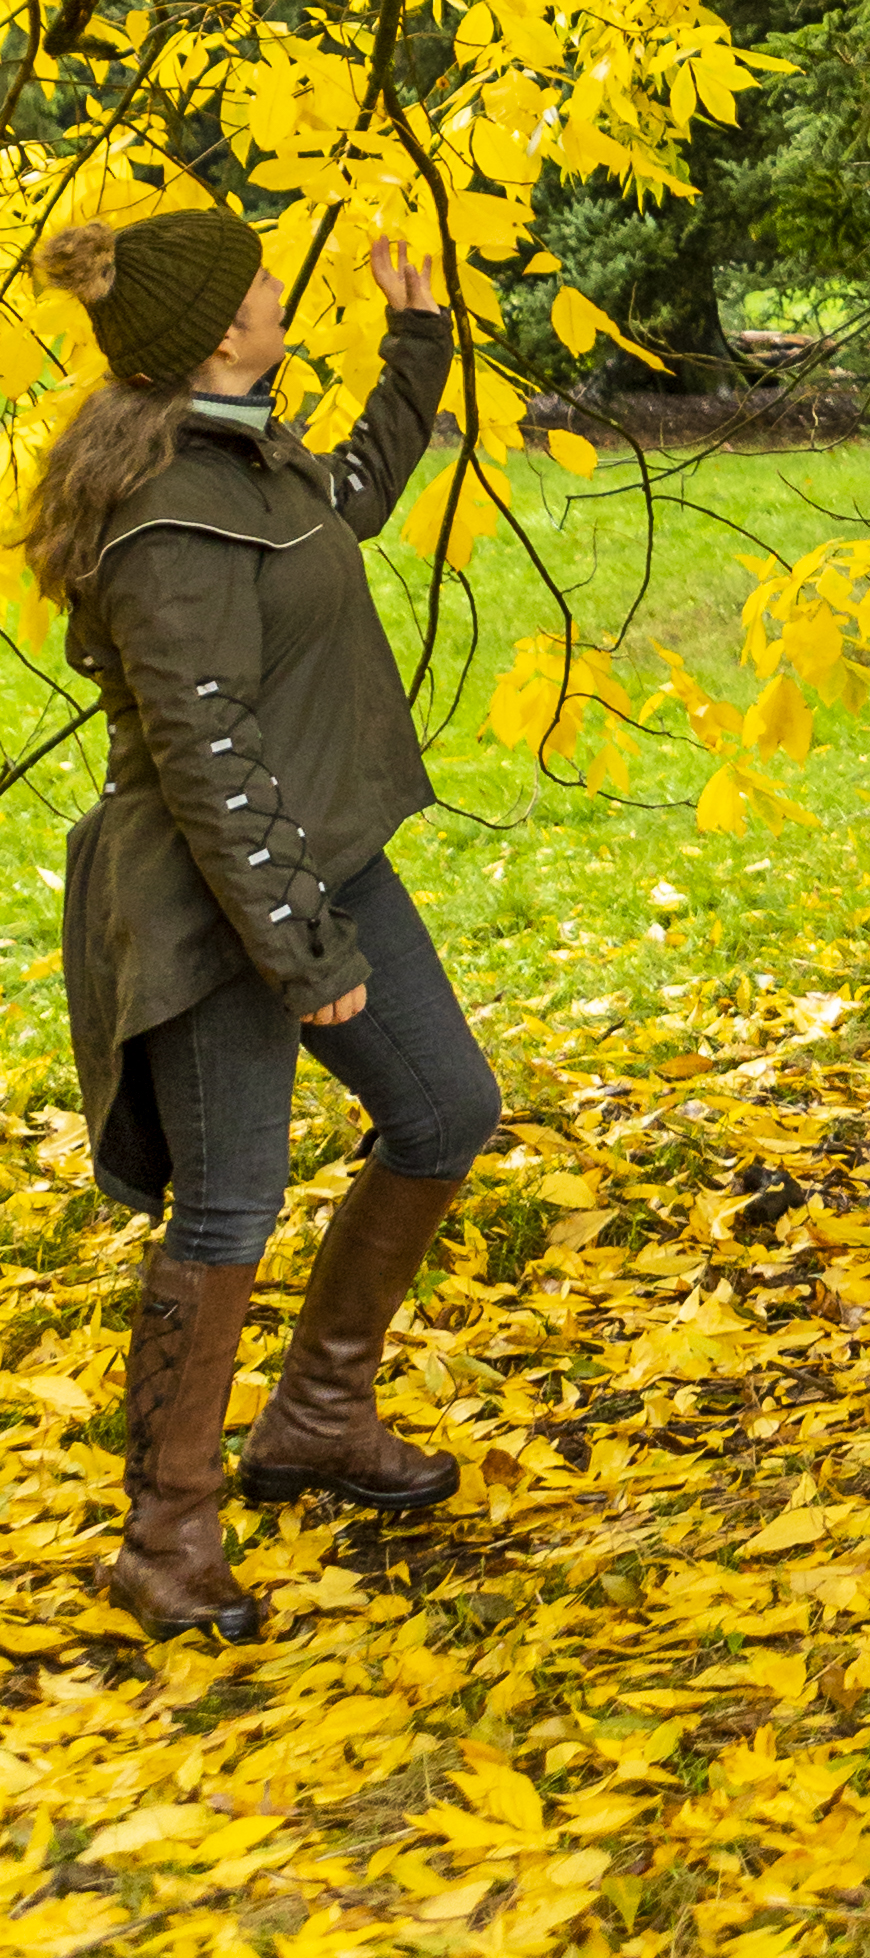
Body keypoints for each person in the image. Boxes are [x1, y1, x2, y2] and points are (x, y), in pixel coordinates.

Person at [30, 202, 494, 1644]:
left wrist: (417, 346)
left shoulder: (243, 450)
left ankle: (316, 1420)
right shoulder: (167, 511)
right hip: (211, 900)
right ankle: (164, 1541)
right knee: (229, 1203)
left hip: (316, 855)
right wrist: (302, 953)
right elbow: (207, 752)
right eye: (259, 280)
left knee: (444, 1112)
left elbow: (347, 498)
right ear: (223, 326)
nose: (278, 287)